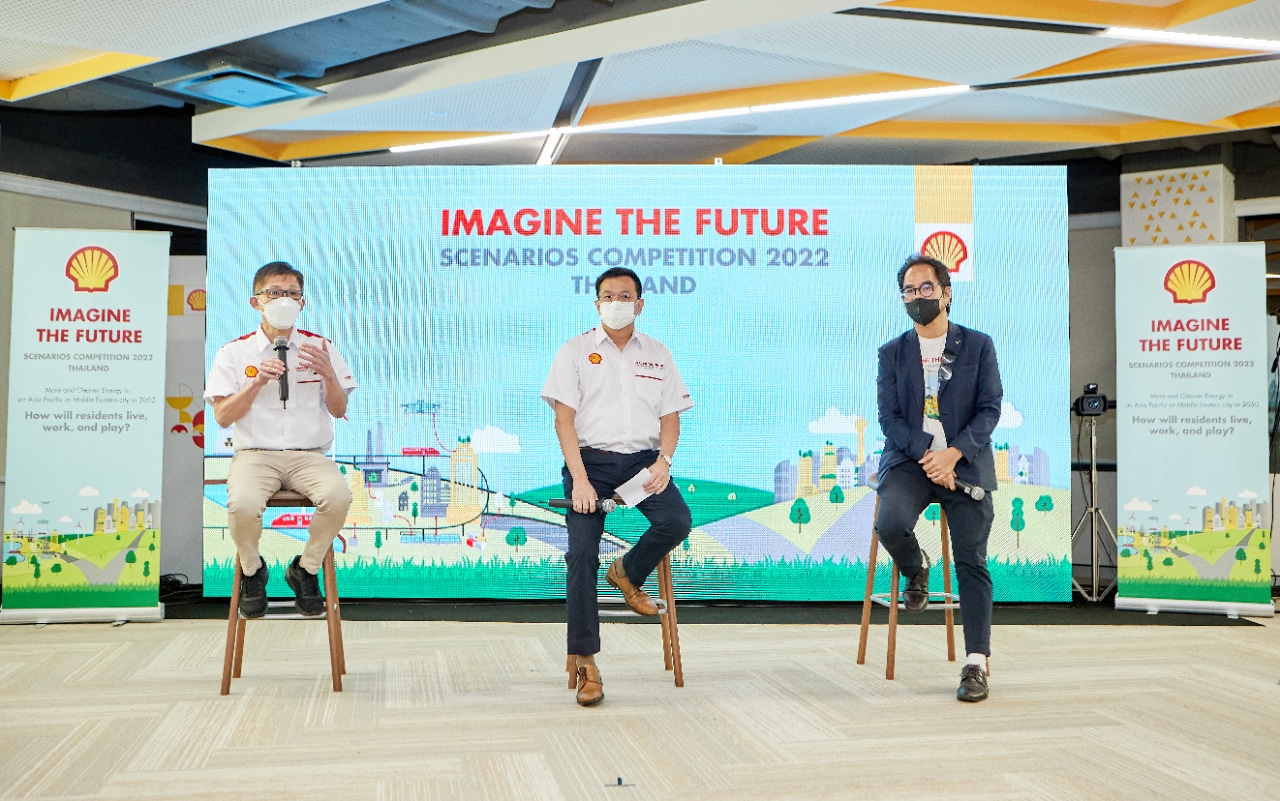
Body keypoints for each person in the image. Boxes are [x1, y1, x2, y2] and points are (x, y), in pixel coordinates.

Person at [540, 267, 694, 706]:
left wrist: (664, 461)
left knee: (677, 521)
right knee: (582, 553)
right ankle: (586, 662)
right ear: (597, 305)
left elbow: (670, 417)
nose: (616, 302)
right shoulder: (574, 352)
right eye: (608, 296)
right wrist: (582, 483)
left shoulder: (658, 354)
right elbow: (563, 420)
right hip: (589, 464)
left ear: (640, 304)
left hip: (644, 462)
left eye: (625, 295)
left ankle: (627, 572)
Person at [874, 254, 1002, 702]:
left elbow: (990, 409)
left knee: (972, 560)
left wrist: (953, 454)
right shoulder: (892, 353)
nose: (917, 297)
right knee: (889, 523)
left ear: (946, 293)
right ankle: (916, 568)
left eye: (925, 288)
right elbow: (889, 419)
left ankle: (976, 664)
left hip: (964, 463)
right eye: (909, 291)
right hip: (912, 461)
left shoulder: (978, 346)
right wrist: (929, 456)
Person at [205, 261, 356, 618]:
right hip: (256, 455)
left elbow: (338, 409)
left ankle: (305, 569)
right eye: (274, 292)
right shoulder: (234, 353)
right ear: (255, 302)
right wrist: (256, 383)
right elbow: (223, 416)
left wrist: (329, 376)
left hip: (309, 455)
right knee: (242, 504)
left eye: (291, 293)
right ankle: (253, 571)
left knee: (338, 497)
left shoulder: (321, 347)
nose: (283, 300)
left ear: (302, 302)